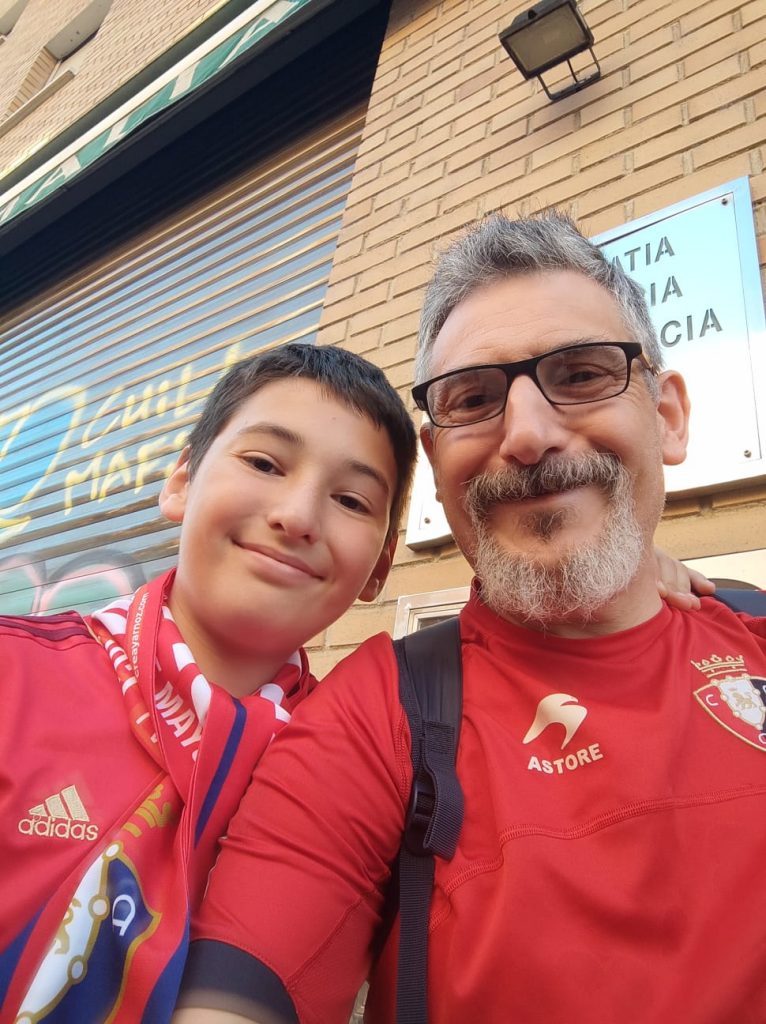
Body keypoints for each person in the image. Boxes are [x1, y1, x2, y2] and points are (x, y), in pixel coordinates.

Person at [174, 213, 766, 1024]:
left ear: (667, 417)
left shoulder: (751, 631)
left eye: (582, 374)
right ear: (436, 460)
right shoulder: (378, 714)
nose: (526, 435)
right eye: (475, 400)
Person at [0, 342, 418, 1023]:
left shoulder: (358, 776)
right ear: (181, 482)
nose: (298, 516)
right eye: (264, 463)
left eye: (350, 499)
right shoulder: (15, 675)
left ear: (380, 567)